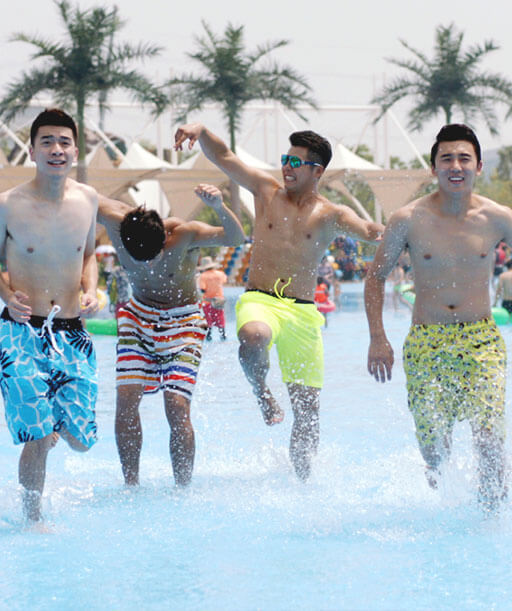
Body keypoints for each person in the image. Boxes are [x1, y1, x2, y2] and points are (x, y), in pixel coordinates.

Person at [174, 123, 383, 481]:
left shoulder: (330, 215)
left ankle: (304, 481)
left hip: (302, 312)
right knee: (253, 335)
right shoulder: (266, 191)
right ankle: (262, 392)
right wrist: (202, 131)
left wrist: (406, 233)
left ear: (317, 171)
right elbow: (224, 156)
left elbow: (369, 232)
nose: (287, 167)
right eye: (285, 159)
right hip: (261, 299)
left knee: (307, 411)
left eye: (296, 162)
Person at [365, 124, 512, 510]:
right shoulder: (408, 218)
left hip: (481, 340)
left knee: (489, 438)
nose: (455, 166)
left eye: (464, 158)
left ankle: (491, 519)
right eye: (446, 159)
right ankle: (446, 516)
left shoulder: (498, 218)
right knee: (434, 452)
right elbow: (375, 277)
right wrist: (378, 338)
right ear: (433, 168)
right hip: (426, 341)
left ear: (478, 166)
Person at [98, 184, 244, 487]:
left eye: (153, 257)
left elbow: (235, 238)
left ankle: (182, 489)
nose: (147, 265)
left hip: (184, 320)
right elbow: (73, 194)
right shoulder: (114, 221)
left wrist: (218, 207)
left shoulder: (186, 234)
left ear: (165, 239)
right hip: (138, 317)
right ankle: (131, 485)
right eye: (139, 260)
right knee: (126, 399)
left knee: (176, 404)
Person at [0, 108, 99, 524]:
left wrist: (91, 289)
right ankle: (33, 520)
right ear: (32, 151)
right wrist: (6, 294)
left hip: (71, 331)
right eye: (47, 142)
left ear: (75, 151)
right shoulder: (7, 205)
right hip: (21, 332)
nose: (57, 149)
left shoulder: (87, 199)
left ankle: (53, 426)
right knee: (36, 436)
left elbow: (88, 254)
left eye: (64, 142)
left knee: (81, 440)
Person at [197, 255, 227, 340]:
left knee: (208, 319)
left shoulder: (203, 276)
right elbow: (224, 281)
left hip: (208, 301)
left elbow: (203, 289)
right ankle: (223, 335)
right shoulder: (220, 274)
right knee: (220, 318)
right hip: (219, 301)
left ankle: (209, 335)